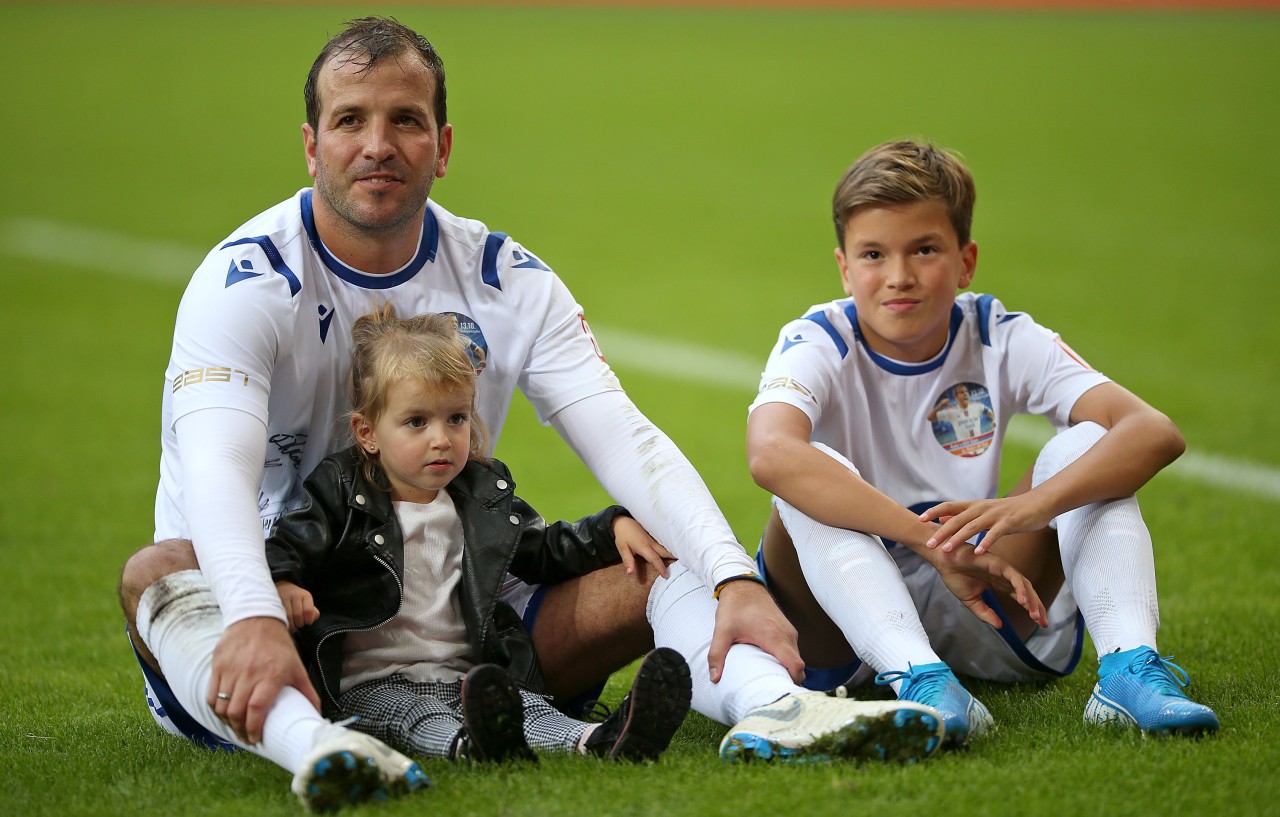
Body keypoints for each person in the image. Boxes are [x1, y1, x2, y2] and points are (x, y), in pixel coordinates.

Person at [115, 18, 966, 808]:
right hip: (277, 618)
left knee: (656, 549)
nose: (378, 146)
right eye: (350, 121)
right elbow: (216, 467)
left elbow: (621, 433)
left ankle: (775, 707)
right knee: (156, 565)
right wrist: (258, 615)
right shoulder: (248, 281)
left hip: (463, 624)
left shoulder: (504, 277)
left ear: (443, 145)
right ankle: (317, 749)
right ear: (310, 145)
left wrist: (735, 577)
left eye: (406, 120)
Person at [745, 139, 1219, 746]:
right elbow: (770, 454)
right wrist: (929, 540)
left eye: (924, 249)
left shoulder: (998, 331)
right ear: (844, 267)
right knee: (805, 473)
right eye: (873, 254)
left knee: (1088, 442)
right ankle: (920, 678)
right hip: (842, 619)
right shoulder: (818, 337)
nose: (899, 276)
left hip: (987, 592)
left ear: (966, 261)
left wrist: (1030, 507)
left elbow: (1152, 431)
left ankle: (1128, 672)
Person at [267, 306, 691, 765]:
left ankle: (600, 739)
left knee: (526, 706)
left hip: (468, 673)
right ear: (367, 433)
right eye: (416, 422)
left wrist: (610, 528)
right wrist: (284, 582)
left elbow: (544, 551)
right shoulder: (340, 490)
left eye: (456, 418)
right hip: (370, 682)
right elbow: (291, 542)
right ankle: (470, 747)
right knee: (416, 716)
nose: (442, 439)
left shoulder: (479, 493)